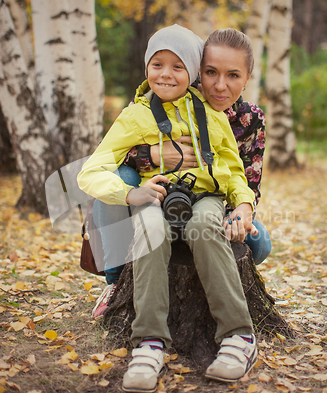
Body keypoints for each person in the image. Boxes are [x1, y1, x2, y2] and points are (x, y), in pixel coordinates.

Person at [77, 24, 258, 393]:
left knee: (206, 228)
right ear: (146, 68)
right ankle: (148, 344)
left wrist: (242, 203)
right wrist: (130, 194)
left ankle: (239, 337)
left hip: (205, 197)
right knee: (148, 230)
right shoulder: (135, 116)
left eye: (178, 67)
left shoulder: (211, 114)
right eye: (157, 64)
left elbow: (235, 169)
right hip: (154, 197)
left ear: (192, 72)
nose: (166, 74)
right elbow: (91, 170)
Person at [92, 28, 271, 319]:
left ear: (248, 77)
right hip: (154, 200)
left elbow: (248, 180)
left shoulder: (249, 119)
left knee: (259, 243)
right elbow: (109, 155)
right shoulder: (168, 99)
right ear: (197, 70)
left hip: (212, 207)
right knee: (120, 177)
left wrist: (240, 209)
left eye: (234, 75)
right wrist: (151, 154)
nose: (220, 85)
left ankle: (212, 277)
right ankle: (115, 280)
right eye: (211, 72)